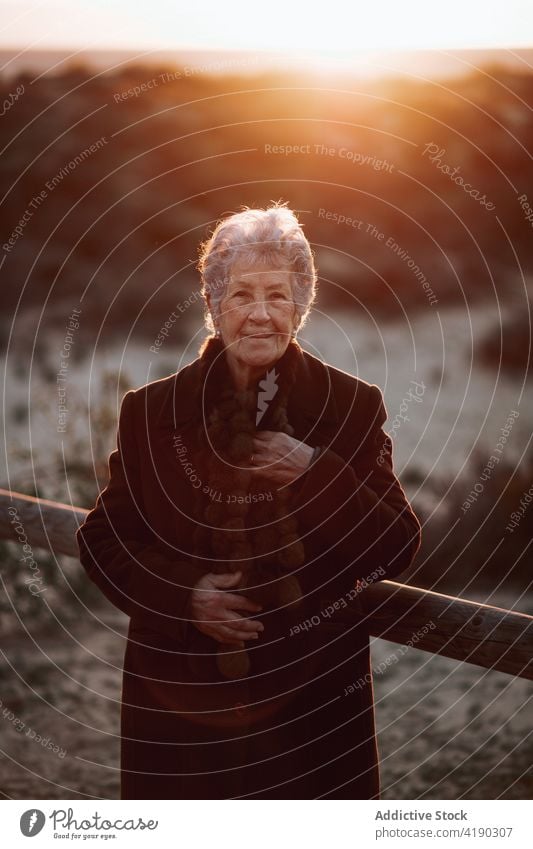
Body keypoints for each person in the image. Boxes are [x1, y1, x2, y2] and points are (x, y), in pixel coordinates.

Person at [76, 200, 422, 799]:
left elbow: (395, 546)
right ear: (212, 304)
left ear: (301, 304)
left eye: (278, 295)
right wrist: (185, 597)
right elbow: (102, 539)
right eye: (240, 295)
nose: (260, 314)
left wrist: (314, 472)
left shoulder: (351, 407)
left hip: (312, 706)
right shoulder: (152, 411)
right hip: (177, 705)